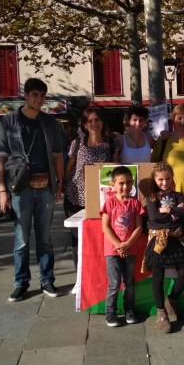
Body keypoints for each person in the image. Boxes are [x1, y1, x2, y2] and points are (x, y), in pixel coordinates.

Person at [0, 78, 65, 302]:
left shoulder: (50, 123)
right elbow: (1, 158)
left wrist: (59, 183)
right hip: (20, 188)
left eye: (42, 95)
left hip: (45, 187)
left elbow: (57, 155)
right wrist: (2, 191)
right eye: (35, 95)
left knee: (45, 238)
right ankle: (21, 282)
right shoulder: (8, 122)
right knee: (22, 240)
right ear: (25, 96)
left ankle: (47, 280)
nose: (39, 99)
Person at [64, 107, 117, 268]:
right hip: (76, 198)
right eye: (90, 121)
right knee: (77, 239)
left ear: (102, 122)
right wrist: (62, 185)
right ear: (85, 125)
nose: (94, 123)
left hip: (100, 200)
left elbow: (116, 169)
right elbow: (69, 167)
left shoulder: (111, 143)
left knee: (98, 238)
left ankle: (95, 272)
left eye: (97, 120)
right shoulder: (77, 143)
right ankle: (80, 274)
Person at [144, 162, 184, 333]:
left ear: (172, 178)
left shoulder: (178, 196)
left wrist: (169, 210)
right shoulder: (151, 197)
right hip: (158, 239)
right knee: (158, 275)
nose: (164, 182)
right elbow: (154, 217)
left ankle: (172, 300)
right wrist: (173, 214)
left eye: (168, 179)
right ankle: (161, 312)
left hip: (175, 238)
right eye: (160, 180)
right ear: (154, 180)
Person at [100, 166, 145, 327]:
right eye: (121, 183)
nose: (125, 186)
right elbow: (105, 227)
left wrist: (127, 245)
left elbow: (139, 228)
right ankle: (110, 312)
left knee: (129, 282)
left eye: (128, 183)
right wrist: (119, 245)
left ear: (132, 183)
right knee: (114, 284)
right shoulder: (109, 203)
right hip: (112, 251)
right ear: (113, 184)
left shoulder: (135, 203)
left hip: (130, 250)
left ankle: (129, 310)